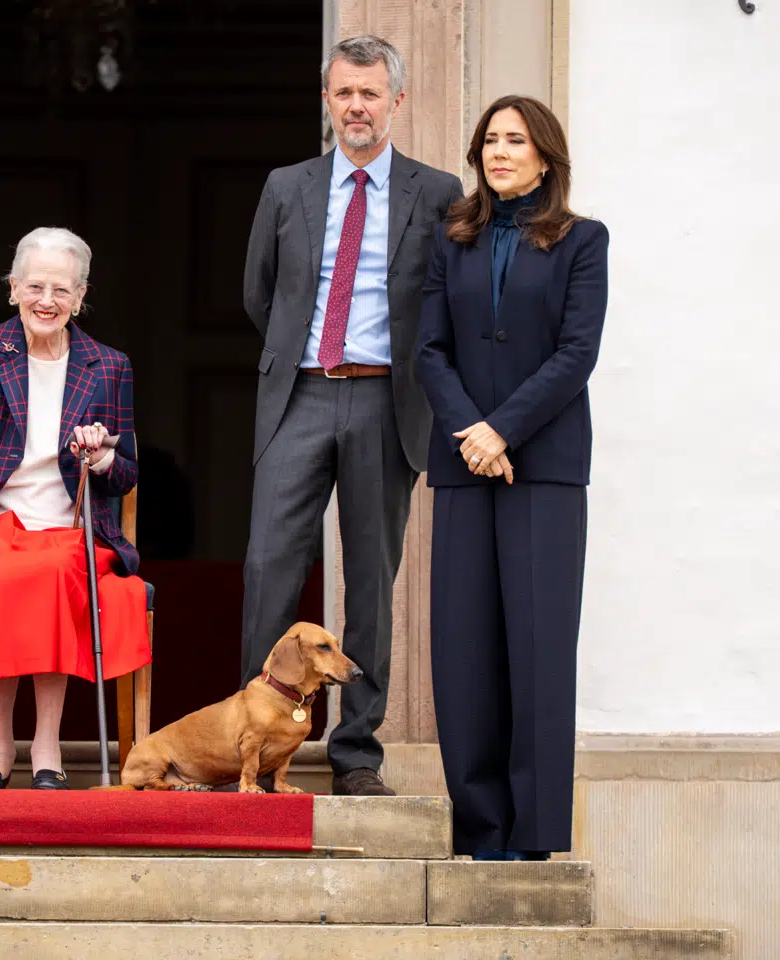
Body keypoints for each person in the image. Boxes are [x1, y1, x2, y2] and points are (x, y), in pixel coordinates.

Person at [240, 35, 462, 796]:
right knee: (271, 567)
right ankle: (258, 754)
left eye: (370, 93)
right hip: (299, 393)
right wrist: (301, 354)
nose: (356, 106)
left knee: (370, 581)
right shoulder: (286, 186)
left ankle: (356, 754)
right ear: (327, 100)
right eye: (344, 93)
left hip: (384, 398)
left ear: (396, 100)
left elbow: (447, 300)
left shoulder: (437, 193)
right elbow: (259, 294)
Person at [415, 94, 608, 859]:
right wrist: (472, 433)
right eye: (490, 141)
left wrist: (502, 430)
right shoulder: (450, 239)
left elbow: (576, 353)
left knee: (536, 647)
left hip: (545, 470)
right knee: (463, 650)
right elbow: (430, 348)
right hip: (466, 469)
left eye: (515, 141)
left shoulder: (582, 241)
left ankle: (531, 836)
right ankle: (480, 829)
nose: (499, 153)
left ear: (545, 157)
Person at [0, 227, 150, 790]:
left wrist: (98, 459)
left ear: (81, 295)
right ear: (13, 287)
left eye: (62, 290)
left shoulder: (108, 365)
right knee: (2, 574)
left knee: (52, 572)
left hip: (73, 532)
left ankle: (46, 741)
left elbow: (126, 474)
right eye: (36, 286)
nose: (47, 301)